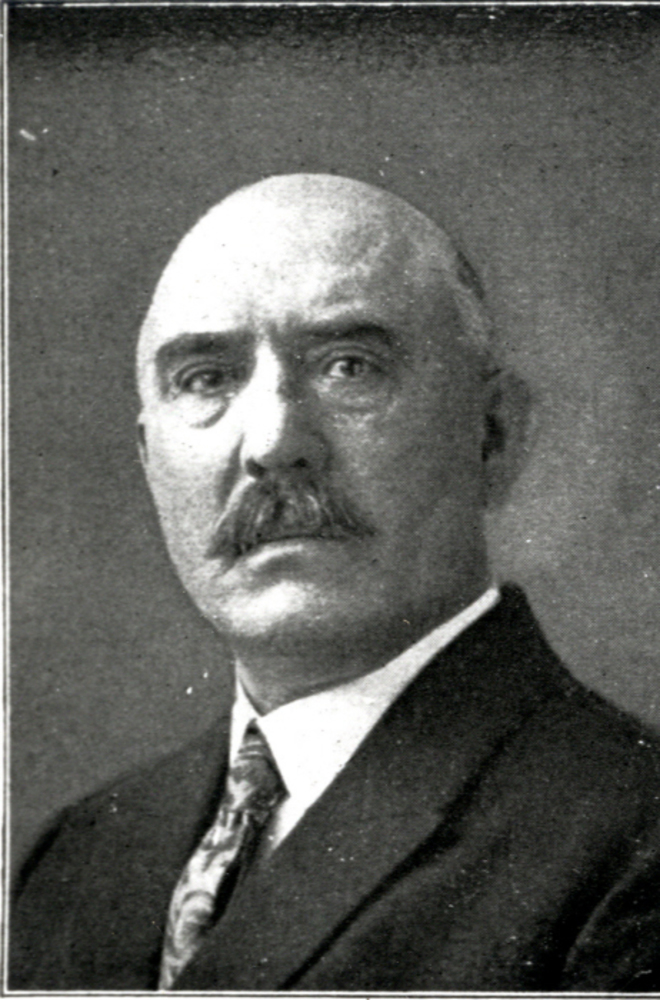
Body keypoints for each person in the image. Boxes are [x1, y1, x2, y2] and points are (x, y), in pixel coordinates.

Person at [10, 173, 660, 991]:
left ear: (493, 436)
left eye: (348, 367)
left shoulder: (632, 842)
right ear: (149, 461)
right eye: (206, 378)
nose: (273, 443)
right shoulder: (77, 862)